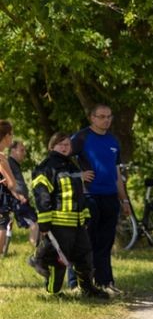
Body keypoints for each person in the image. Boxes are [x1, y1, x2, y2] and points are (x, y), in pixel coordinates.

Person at [31, 132, 109, 300]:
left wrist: (86, 215)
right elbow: (42, 195)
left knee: (85, 256)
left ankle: (87, 289)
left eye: (67, 144)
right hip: (59, 224)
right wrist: (44, 222)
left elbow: (80, 194)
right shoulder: (47, 167)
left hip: (77, 224)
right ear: (52, 147)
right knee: (58, 260)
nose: (65, 147)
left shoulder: (72, 166)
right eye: (61, 144)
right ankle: (53, 293)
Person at [72, 104, 131, 295]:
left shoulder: (113, 140)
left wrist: (124, 201)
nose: (106, 120)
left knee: (106, 242)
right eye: (102, 116)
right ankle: (78, 284)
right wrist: (78, 175)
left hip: (110, 198)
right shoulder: (81, 138)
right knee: (85, 242)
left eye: (109, 117)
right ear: (92, 118)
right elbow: (60, 159)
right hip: (88, 197)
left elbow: (117, 173)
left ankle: (105, 282)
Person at [0, 121, 29, 256]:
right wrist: (12, 186)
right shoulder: (1, 158)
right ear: (6, 136)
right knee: (1, 226)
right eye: (11, 135)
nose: (12, 138)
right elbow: (12, 183)